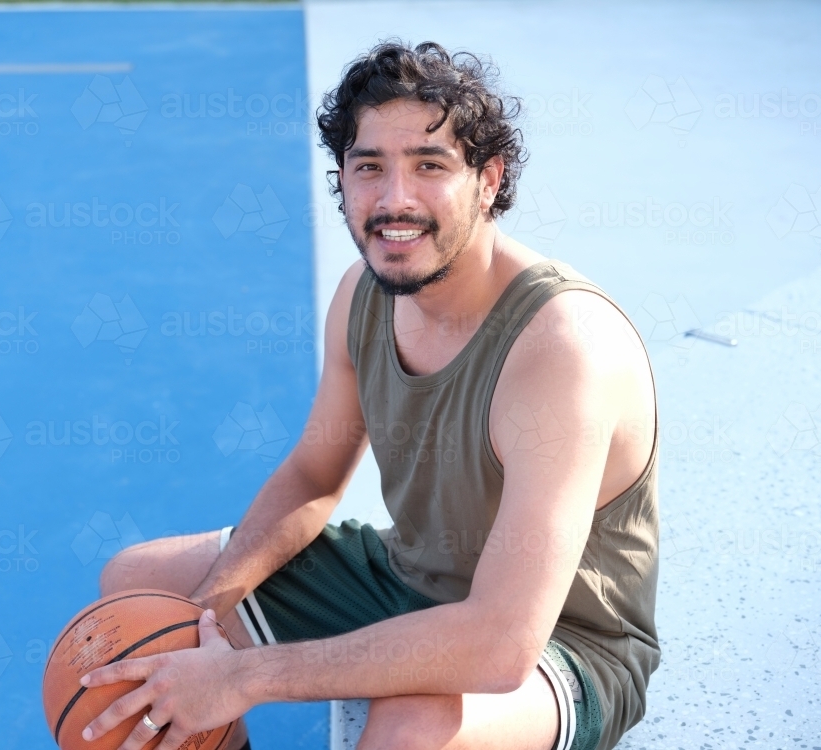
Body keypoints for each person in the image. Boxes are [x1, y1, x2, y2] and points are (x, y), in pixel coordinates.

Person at [83, 41, 659, 750]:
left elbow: (502, 641)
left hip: (561, 643)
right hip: (406, 571)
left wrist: (245, 675)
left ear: (488, 179)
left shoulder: (560, 347)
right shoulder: (364, 294)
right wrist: (202, 617)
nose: (394, 200)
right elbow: (312, 477)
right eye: (369, 168)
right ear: (343, 182)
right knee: (139, 599)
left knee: (409, 732)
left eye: (429, 166)